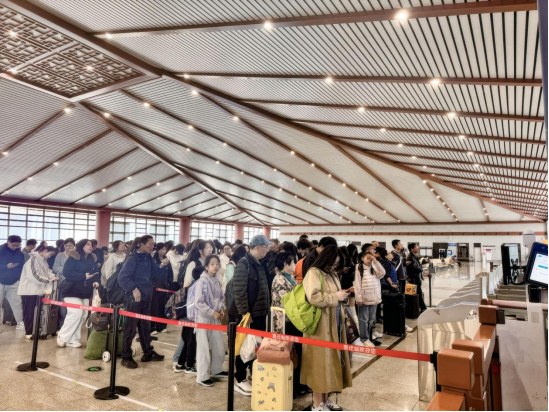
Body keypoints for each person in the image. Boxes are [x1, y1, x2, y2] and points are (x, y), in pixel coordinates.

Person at [302, 245, 352, 412]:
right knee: (320, 364)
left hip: (334, 323)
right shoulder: (313, 273)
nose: (334, 266)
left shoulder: (332, 273)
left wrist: (342, 296)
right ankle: (317, 404)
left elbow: (335, 294)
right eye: (332, 263)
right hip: (320, 327)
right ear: (325, 259)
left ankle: (326, 398)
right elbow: (313, 297)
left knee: (331, 362)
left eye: (336, 264)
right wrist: (335, 296)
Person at [118, 235, 167, 369]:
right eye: (150, 244)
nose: (152, 247)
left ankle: (147, 352)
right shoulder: (133, 258)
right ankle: (126, 356)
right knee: (130, 328)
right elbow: (122, 277)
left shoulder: (148, 257)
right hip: (134, 298)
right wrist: (133, 289)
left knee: (145, 326)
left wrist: (161, 266)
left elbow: (154, 273)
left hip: (146, 297)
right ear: (142, 244)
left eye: (153, 244)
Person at [232, 235, 271, 393]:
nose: (267, 250)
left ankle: (251, 374)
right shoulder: (244, 264)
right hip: (249, 315)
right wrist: (244, 313)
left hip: (259, 313)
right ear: (258, 247)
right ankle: (240, 379)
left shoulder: (258, 263)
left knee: (254, 347)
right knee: (244, 347)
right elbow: (239, 291)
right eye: (265, 247)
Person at [271, 250, 309, 398]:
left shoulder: (290, 277)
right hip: (285, 323)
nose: (295, 265)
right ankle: (291, 388)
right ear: (286, 264)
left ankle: (298, 384)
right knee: (290, 355)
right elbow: (288, 301)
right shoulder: (279, 279)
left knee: (297, 353)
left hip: (294, 320)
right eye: (293, 262)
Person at [57, 239, 100, 348]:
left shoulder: (92, 259)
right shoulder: (73, 258)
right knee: (76, 312)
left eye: (91, 245)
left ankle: (73, 339)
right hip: (71, 290)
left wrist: (96, 281)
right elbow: (67, 273)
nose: (90, 247)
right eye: (88, 244)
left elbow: (96, 273)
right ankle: (62, 336)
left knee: (83, 315)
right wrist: (83, 276)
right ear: (81, 246)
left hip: (85, 291)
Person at [194, 255, 228, 387]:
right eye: (212, 264)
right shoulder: (201, 282)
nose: (215, 266)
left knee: (218, 344)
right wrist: (212, 312)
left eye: (217, 264)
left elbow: (220, 298)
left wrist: (222, 309)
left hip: (216, 317)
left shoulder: (217, 280)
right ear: (206, 266)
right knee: (203, 347)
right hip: (204, 318)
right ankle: (202, 376)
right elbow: (199, 302)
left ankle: (217, 369)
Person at [18, 246, 58, 339]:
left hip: (39, 291)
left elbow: (48, 271)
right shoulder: (32, 259)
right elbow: (34, 275)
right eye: (50, 254)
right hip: (29, 291)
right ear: (45, 250)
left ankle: (37, 331)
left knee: (38, 312)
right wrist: (48, 280)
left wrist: (53, 276)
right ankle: (29, 332)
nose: (49, 257)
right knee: (29, 312)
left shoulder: (43, 261)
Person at [174, 265, 203, 375]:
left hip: (186, 317)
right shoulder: (196, 287)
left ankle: (180, 364)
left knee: (187, 342)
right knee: (191, 342)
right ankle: (190, 366)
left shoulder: (191, 285)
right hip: (192, 318)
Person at [354, 251, 386, 348]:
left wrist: (376, 261)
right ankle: (364, 339)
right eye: (367, 258)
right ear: (362, 258)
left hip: (374, 297)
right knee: (363, 319)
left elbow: (383, 273)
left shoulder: (374, 267)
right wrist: (358, 298)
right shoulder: (359, 268)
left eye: (371, 258)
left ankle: (369, 337)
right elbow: (357, 284)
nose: (369, 260)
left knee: (371, 319)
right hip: (364, 298)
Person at [0, 235, 25, 332]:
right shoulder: (1, 250)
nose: (15, 247)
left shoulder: (20, 253)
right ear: (8, 242)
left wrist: (19, 279)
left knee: (17, 303)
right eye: (14, 245)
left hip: (14, 281)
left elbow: (22, 267)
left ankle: (20, 323)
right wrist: (5, 266)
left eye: (18, 245)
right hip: (0, 280)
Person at [52, 238, 76, 330]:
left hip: (74, 282)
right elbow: (55, 267)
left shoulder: (76, 255)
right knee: (62, 304)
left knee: (72, 304)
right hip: (63, 282)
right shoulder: (60, 255)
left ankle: (70, 326)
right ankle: (61, 325)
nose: (68, 247)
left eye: (70, 245)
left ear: (74, 245)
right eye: (66, 246)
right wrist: (66, 271)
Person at [151, 243, 171, 335]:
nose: (164, 251)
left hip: (164, 287)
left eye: (165, 249)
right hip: (155, 287)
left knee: (163, 306)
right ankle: (153, 326)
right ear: (158, 250)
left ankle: (162, 326)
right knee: (155, 307)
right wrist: (161, 266)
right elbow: (153, 273)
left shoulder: (166, 259)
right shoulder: (154, 259)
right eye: (162, 249)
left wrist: (169, 283)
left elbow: (170, 273)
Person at [407, 243, 427, 312]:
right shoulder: (410, 257)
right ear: (412, 249)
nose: (417, 248)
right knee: (417, 293)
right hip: (414, 278)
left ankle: (421, 307)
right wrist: (421, 269)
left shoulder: (414, 256)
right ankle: (421, 308)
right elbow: (414, 267)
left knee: (419, 293)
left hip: (416, 277)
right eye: (416, 247)